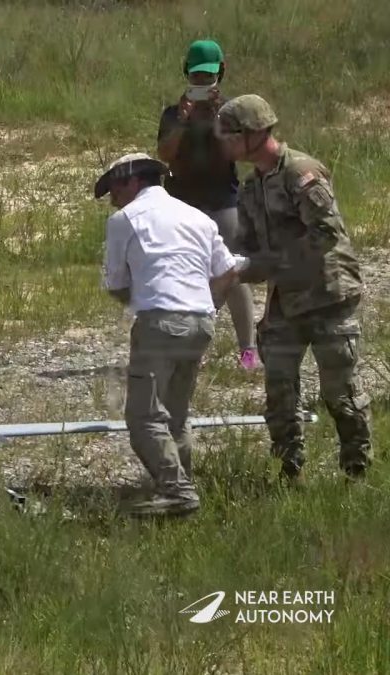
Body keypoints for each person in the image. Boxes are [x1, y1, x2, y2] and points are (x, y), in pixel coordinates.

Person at [214, 94, 372, 480]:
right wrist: (230, 267)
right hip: (285, 299)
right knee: (280, 389)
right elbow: (250, 249)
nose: (225, 145)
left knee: (340, 392)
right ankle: (289, 468)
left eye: (230, 136)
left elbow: (326, 233)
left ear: (254, 134)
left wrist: (268, 262)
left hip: (328, 295)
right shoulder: (250, 189)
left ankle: (357, 470)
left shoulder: (301, 173)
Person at [96, 152, 245, 516]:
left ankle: (176, 491)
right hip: (201, 322)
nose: (113, 198)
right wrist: (207, 303)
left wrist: (141, 300)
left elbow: (116, 284)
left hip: (159, 322)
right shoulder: (197, 217)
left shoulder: (124, 220)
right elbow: (229, 271)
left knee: (143, 417)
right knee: (175, 415)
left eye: (115, 188)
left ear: (134, 181)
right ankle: (181, 485)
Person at [157, 38, 259, 371]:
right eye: (196, 76)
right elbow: (165, 154)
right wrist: (183, 122)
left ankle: (248, 352)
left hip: (221, 201)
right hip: (182, 203)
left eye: (208, 76)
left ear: (220, 74)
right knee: (182, 275)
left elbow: (236, 153)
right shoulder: (173, 114)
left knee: (233, 273)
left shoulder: (230, 112)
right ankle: (186, 350)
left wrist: (217, 118)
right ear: (187, 74)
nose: (201, 82)